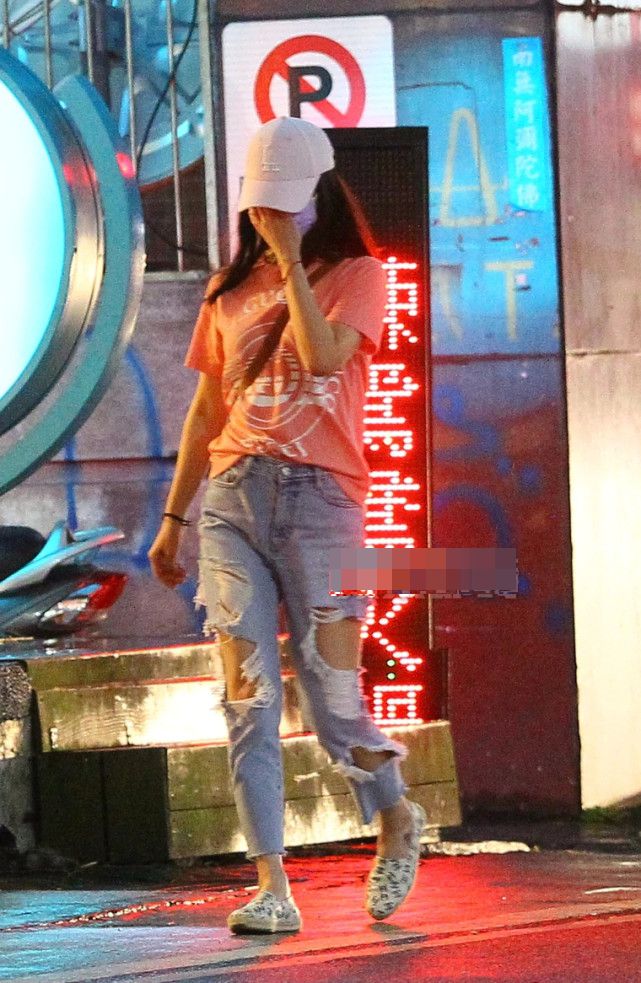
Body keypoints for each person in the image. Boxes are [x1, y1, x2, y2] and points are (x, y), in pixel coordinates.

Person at [148, 116, 426, 935]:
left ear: (319, 195)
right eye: (261, 204)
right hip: (232, 499)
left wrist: (292, 266)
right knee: (247, 697)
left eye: (286, 202)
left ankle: (394, 812)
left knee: (333, 701)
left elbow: (323, 357)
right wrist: (173, 518)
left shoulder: (360, 275)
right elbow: (206, 409)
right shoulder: (225, 292)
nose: (271, 215)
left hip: (322, 504)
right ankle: (272, 884)